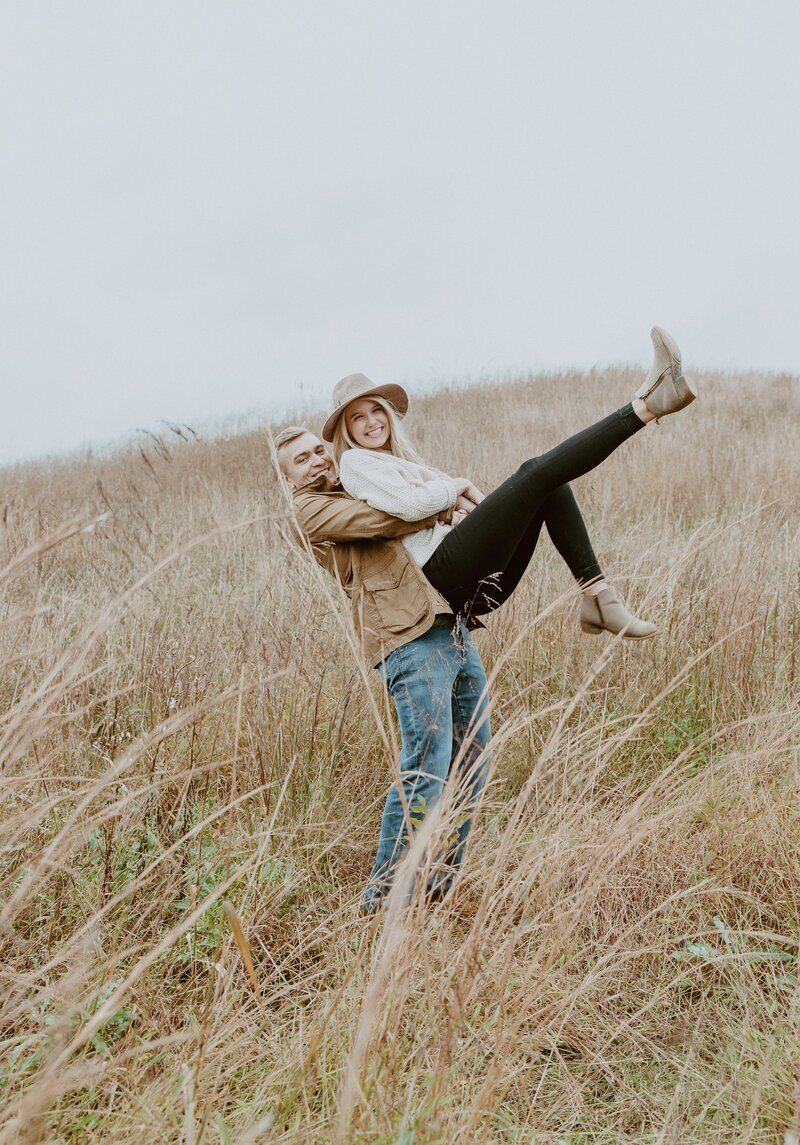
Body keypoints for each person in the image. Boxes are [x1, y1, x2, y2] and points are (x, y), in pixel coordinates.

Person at [324, 327, 697, 634]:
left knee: (550, 487)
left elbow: (418, 510)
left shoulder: (400, 463)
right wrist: (457, 486)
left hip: (473, 586)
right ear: (347, 430)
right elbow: (411, 505)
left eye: (376, 410)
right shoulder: (355, 461)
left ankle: (599, 596)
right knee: (534, 472)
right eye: (358, 417)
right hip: (437, 580)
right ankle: (646, 404)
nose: (372, 421)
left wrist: (456, 506)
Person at [276, 426, 492, 914]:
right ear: (289, 480)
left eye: (317, 450)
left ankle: (437, 883)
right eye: (301, 461)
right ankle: (385, 899)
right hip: (406, 637)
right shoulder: (309, 508)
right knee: (426, 766)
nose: (316, 461)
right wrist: (440, 499)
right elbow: (386, 519)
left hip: (449, 623)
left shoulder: (356, 480)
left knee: (474, 759)